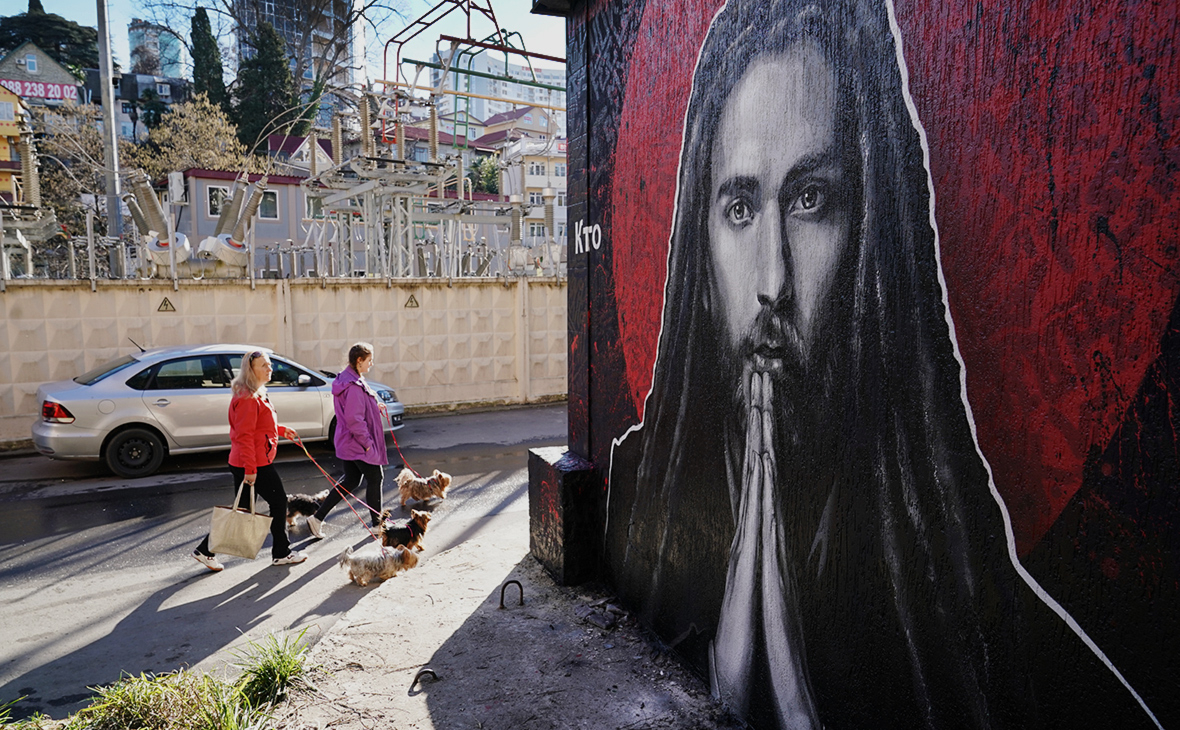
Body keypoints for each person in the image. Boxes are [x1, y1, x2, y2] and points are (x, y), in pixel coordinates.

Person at [605, 0, 1160, 727]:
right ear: (699, 252)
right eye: (740, 207)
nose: (773, 281)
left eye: (811, 200)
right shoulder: (636, 492)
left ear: (871, 230)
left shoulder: (983, 621)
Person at [193, 350, 308, 570]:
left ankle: (205, 550)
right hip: (254, 462)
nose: (269, 368)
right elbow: (243, 435)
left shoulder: (256, 392)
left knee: (243, 508)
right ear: (250, 369)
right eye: (263, 365)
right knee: (278, 501)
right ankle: (281, 553)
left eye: (270, 364)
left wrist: (281, 430)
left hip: (247, 459)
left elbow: (257, 427)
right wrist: (250, 468)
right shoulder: (247, 397)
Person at [307, 342, 389, 537]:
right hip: (357, 443)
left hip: (348, 441)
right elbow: (354, 419)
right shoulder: (352, 385)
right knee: (375, 477)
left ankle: (317, 518)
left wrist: (375, 405)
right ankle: (378, 525)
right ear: (359, 361)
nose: (372, 364)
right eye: (369, 360)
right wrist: (368, 444)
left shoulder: (350, 378)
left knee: (351, 480)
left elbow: (358, 406)